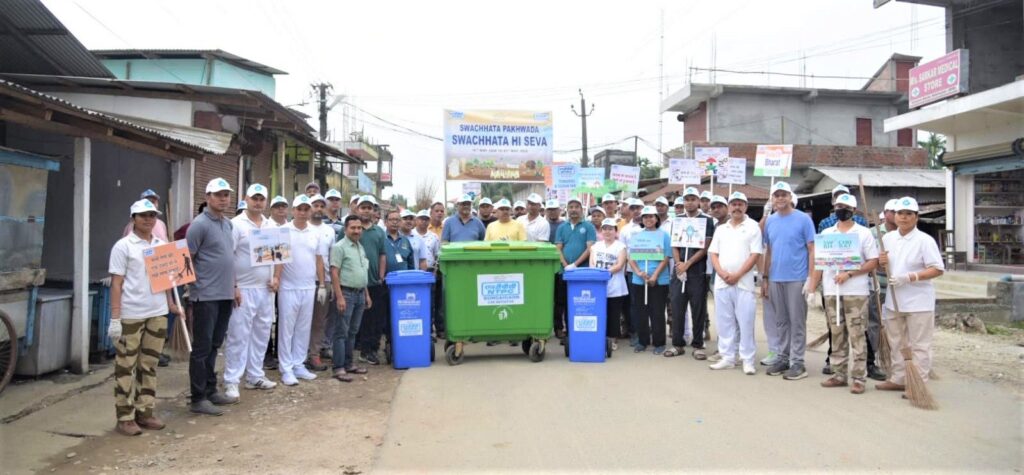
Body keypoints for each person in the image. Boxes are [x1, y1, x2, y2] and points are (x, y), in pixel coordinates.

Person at [108, 198, 183, 435]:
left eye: (152, 215)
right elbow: (116, 284)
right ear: (133, 219)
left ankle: (145, 411)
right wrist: (115, 318)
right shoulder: (123, 246)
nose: (148, 219)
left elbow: (168, 280)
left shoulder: (162, 245)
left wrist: (171, 303)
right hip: (131, 314)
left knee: (149, 365)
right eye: (143, 216)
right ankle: (125, 416)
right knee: (125, 367)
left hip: (157, 313)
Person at [806, 194, 879, 394]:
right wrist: (813, 287)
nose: (841, 209)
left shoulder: (863, 233)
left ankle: (858, 377)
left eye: (845, 206)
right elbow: (820, 264)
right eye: (838, 206)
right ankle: (839, 374)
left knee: (857, 334)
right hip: (831, 291)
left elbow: (873, 261)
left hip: (856, 292)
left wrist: (849, 274)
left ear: (854, 211)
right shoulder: (828, 233)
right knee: (836, 333)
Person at [876, 197, 944, 393]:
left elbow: (937, 269)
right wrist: (882, 262)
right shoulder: (887, 239)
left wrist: (911, 277)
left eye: (908, 214)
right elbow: (885, 265)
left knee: (919, 345)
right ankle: (898, 377)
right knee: (896, 341)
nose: (904, 218)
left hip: (919, 301)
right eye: (900, 213)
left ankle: (919, 383)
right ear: (894, 216)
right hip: (894, 300)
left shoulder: (924, 240)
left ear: (916, 217)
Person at [186, 178, 239, 416]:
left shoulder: (227, 225)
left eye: (226, 194)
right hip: (205, 296)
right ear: (208, 197)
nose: (223, 199)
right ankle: (198, 398)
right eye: (218, 195)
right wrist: (194, 289)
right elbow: (186, 260)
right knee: (202, 347)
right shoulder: (198, 225)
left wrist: (235, 287)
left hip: (225, 294)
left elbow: (229, 258)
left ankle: (210, 390)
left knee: (215, 344)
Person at [223, 184, 278, 402]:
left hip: (265, 289)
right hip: (243, 290)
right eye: (254, 198)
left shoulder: (271, 225)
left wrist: (276, 278)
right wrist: (233, 286)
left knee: (262, 332)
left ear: (265, 201)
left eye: (261, 199)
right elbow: (228, 257)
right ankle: (231, 380)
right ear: (246, 199)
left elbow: (280, 255)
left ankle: (255, 375)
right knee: (238, 335)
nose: (257, 202)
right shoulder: (235, 225)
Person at [762, 181, 816, 381]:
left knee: (797, 321)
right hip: (776, 278)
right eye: (776, 195)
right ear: (772, 199)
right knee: (781, 321)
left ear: (790, 197)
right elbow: (768, 251)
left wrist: (811, 279)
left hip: (797, 277)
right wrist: (765, 278)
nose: (780, 198)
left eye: (784, 194)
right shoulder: (770, 221)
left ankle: (798, 362)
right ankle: (783, 358)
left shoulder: (803, 219)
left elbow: (812, 249)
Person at [273, 194, 326, 386]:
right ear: (293, 211)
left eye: (306, 209)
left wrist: (321, 284)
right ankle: (286, 368)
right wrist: (277, 278)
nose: (303, 213)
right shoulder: (283, 230)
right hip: (288, 287)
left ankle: (299, 364)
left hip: (308, 287)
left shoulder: (315, 232)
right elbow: (279, 258)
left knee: (303, 328)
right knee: (287, 329)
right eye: (299, 209)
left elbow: (319, 260)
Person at [707, 192, 762, 374]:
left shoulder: (753, 227)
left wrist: (737, 274)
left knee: (746, 322)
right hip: (722, 283)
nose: (737, 207)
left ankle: (747, 359)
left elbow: (755, 254)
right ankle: (728, 357)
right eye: (734, 204)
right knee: (724, 322)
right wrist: (722, 273)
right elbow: (713, 253)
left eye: (740, 204)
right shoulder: (721, 229)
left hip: (743, 283)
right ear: (729, 207)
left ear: (746, 206)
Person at [665, 187, 716, 360]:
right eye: (687, 199)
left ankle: (698, 344)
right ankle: (678, 344)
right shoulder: (677, 220)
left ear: (699, 201)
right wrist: (679, 264)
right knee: (677, 307)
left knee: (698, 309)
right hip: (679, 271)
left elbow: (705, 246)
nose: (690, 202)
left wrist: (688, 264)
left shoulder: (707, 221)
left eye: (693, 199)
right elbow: (674, 244)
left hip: (697, 271)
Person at [329, 215, 372, 382]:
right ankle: (338, 367)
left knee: (353, 331)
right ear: (345, 229)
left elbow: (362, 272)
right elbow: (334, 272)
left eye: (359, 228)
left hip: (360, 293)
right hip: (346, 294)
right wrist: (339, 297)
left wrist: (366, 294)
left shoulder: (360, 247)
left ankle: (349, 364)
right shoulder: (339, 247)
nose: (356, 231)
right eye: (353, 228)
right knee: (341, 332)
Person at [627, 206, 671, 354]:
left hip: (659, 280)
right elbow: (631, 257)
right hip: (639, 280)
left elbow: (666, 257)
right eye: (645, 217)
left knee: (657, 312)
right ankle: (642, 341)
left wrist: (655, 276)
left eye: (651, 216)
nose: (648, 219)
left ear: (656, 218)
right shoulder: (636, 236)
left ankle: (659, 343)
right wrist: (639, 272)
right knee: (640, 311)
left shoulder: (664, 235)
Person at [554, 197, 597, 340]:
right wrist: (566, 265)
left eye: (576, 206)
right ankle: (563, 330)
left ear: (581, 209)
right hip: (564, 271)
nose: (573, 209)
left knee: (579, 301)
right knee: (563, 301)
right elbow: (558, 248)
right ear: (567, 209)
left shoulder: (588, 226)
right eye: (570, 206)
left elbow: (590, 248)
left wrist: (575, 265)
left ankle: (577, 330)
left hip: (582, 271)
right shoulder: (562, 227)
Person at [355, 196, 388, 365]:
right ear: (357, 209)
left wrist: (381, 275)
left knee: (374, 320)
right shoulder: (352, 228)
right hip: (355, 283)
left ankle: (370, 351)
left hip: (374, 282)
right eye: (363, 207)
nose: (366, 210)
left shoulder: (379, 232)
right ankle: (358, 350)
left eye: (369, 208)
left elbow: (383, 254)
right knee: (357, 321)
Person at [306, 194, 337, 372]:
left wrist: (331, 282)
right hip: (302, 280)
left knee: (319, 320)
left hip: (323, 281)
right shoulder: (302, 228)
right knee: (300, 320)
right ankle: (297, 355)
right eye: (314, 205)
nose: (318, 208)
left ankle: (314, 354)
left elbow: (332, 258)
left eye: (320, 205)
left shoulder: (329, 231)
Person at [590, 218, 628, 351]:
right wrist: (599, 274)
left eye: (610, 229)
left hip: (615, 285)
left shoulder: (621, 246)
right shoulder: (596, 246)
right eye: (605, 228)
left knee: (614, 313)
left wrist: (605, 272)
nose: (607, 231)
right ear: (601, 231)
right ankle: (600, 337)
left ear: (615, 231)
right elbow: (592, 264)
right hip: (599, 285)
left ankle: (612, 338)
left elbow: (620, 264)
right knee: (600, 312)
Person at [414, 209, 443, 337]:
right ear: (416, 220)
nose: (424, 221)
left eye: (426, 219)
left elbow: (437, 256)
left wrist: (435, 272)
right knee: (416, 303)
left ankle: (429, 331)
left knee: (430, 303)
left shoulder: (434, 237)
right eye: (421, 219)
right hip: (414, 273)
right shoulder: (411, 235)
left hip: (429, 274)